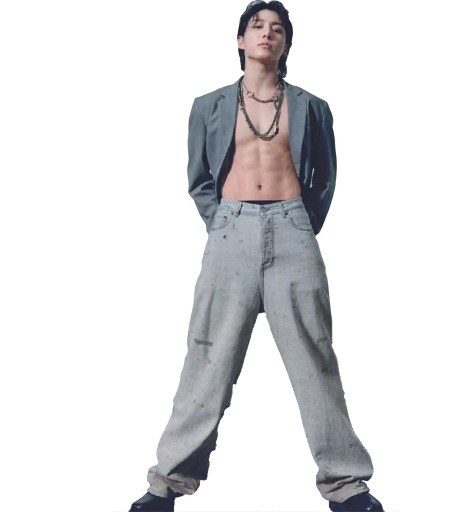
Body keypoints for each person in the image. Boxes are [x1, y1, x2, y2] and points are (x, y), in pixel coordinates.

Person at [129, 1, 385, 511]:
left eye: (277, 29)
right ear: (241, 40)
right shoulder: (208, 105)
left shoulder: (313, 107)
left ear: (286, 43)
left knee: (315, 356)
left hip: (293, 230)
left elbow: (325, 179)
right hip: (231, 231)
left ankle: (346, 484)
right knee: (208, 356)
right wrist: (224, 221)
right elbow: (199, 178)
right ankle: (167, 482)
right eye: (257, 26)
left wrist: (299, 223)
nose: (267, 33)